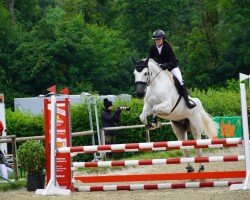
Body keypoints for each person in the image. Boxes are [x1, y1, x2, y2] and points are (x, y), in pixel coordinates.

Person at [149, 29, 196, 109]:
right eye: (156, 40)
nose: (157, 41)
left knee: (180, 81)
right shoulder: (153, 48)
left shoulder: (168, 47)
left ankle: (187, 101)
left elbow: (173, 62)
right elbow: (150, 59)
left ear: (163, 39)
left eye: (159, 39)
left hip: (172, 68)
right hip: (160, 70)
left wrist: (164, 65)